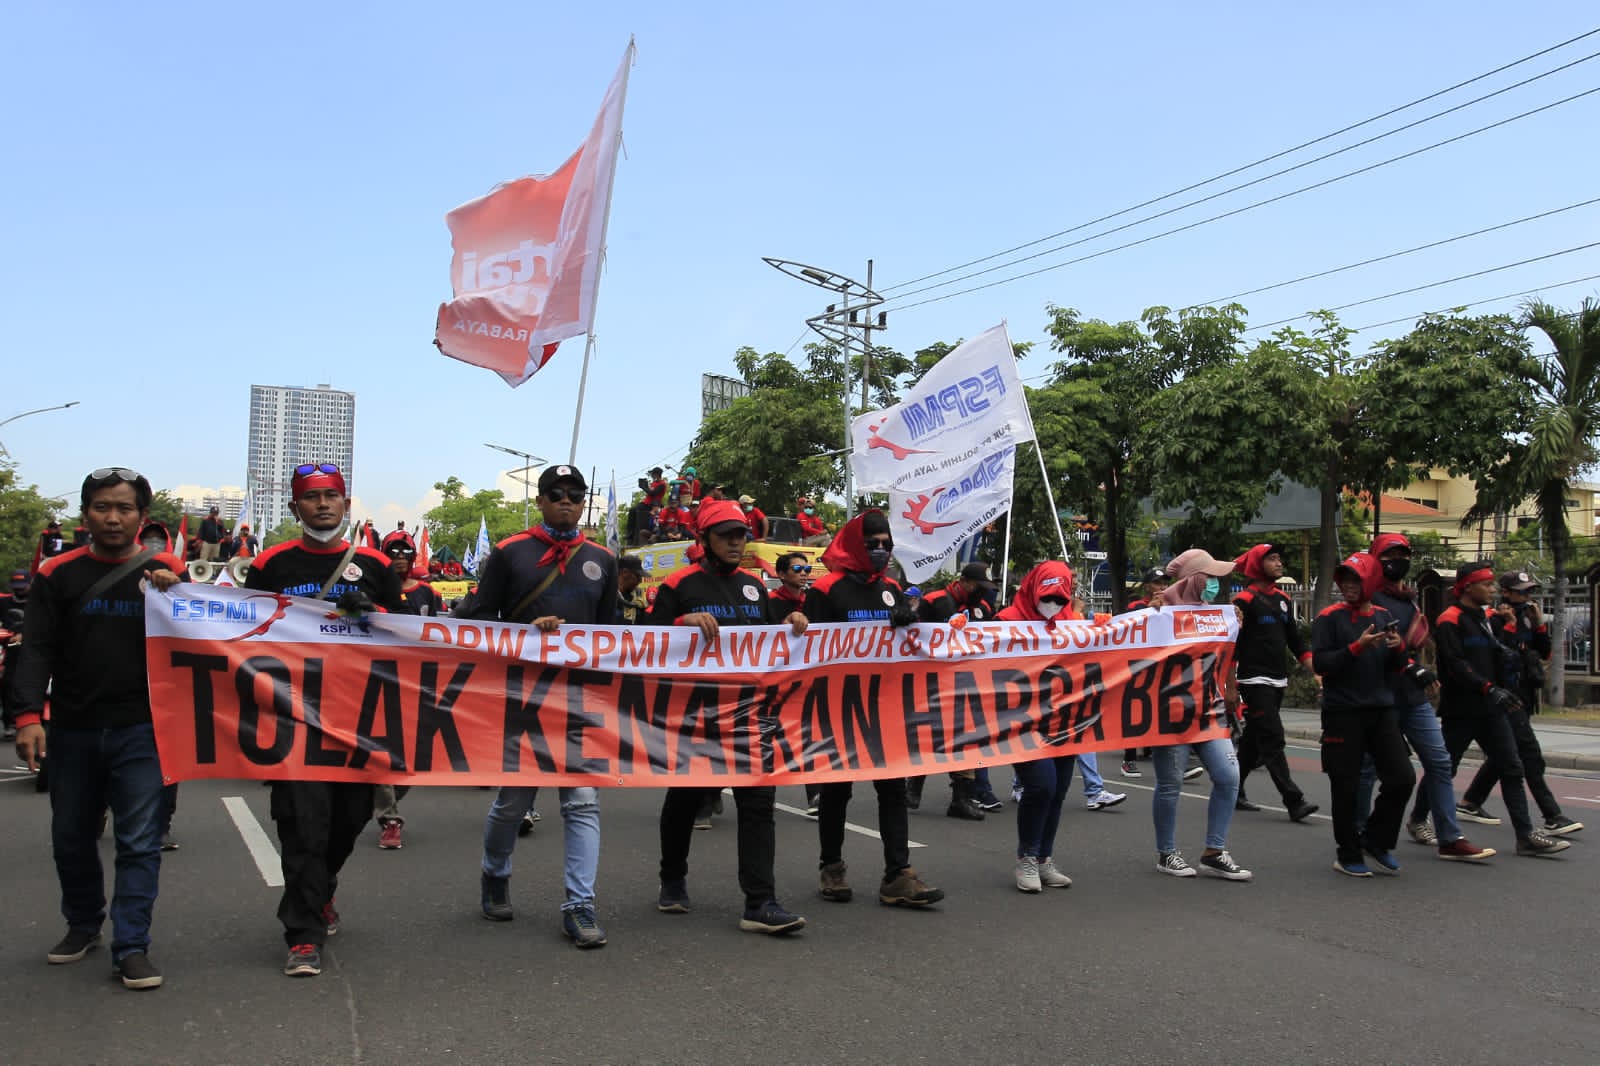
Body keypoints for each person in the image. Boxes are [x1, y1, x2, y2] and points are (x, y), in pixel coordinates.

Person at [12, 466, 186, 989]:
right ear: (85, 513)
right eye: (103, 507)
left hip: (143, 729)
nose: (113, 518)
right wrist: (27, 716)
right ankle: (83, 923)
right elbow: (36, 646)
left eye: (124, 508)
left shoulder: (166, 570)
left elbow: (200, 638)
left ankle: (131, 946)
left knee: (138, 842)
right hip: (72, 727)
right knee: (71, 836)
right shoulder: (56, 574)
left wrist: (176, 592)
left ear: (142, 518)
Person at [244, 462, 402, 976]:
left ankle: (321, 889)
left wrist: (372, 612)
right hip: (294, 716)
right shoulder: (271, 564)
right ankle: (303, 934)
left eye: (332, 495)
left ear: (347, 503)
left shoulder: (375, 564)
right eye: (312, 498)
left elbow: (406, 636)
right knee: (302, 827)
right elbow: (242, 632)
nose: (323, 504)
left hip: (359, 715)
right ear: (295, 508)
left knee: (350, 820)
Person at [463, 465, 616, 949]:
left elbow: (612, 632)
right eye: (557, 494)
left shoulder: (603, 559)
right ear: (541, 500)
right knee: (514, 800)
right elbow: (479, 621)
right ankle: (495, 873)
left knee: (583, 801)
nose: (567, 501)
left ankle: (580, 905)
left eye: (576, 494)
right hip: (523, 695)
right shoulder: (510, 554)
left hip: (581, 698)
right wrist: (526, 634)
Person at [651, 498, 808, 935]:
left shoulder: (755, 586)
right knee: (684, 800)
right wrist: (681, 622)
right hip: (695, 714)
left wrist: (792, 620)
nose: (737, 542)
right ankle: (673, 877)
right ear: (705, 539)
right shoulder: (679, 584)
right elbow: (641, 641)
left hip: (748, 714)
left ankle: (760, 902)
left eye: (741, 534)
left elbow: (768, 637)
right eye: (726, 535)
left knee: (758, 804)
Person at [805, 510, 945, 908]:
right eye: (873, 544)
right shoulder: (826, 590)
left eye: (887, 544)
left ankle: (897, 874)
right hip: (838, 707)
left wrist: (909, 619)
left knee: (892, 790)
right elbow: (807, 650)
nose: (881, 550)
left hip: (884, 707)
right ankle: (832, 867)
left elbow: (908, 646)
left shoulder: (890, 587)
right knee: (836, 792)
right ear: (855, 544)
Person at [1357, 535, 1493, 861]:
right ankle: (1359, 831)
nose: (1398, 559)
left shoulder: (1408, 600)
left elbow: (1417, 644)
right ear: (1376, 559)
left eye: (1403, 554)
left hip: (1413, 697)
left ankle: (1449, 837)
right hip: (1382, 696)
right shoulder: (1368, 599)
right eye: (1390, 554)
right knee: (1369, 769)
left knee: (1440, 761)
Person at [1436, 567, 1576, 854]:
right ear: (1468, 587)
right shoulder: (1454, 619)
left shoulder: (1490, 618)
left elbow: (1515, 654)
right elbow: (1456, 663)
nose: (1491, 589)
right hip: (1463, 707)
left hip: (1498, 703)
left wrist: (1535, 626)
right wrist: (1489, 686)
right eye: (1486, 585)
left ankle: (1525, 835)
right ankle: (1419, 819)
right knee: (1445, 768)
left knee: (1512, 765)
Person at [1147, 549, 1252, 881]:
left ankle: (1214, 851)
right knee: (1170, 784)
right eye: (1209, 577)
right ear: (1193, 578)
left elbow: (1226, 657)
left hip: (1210, 710)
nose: (1215, 585)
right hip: (1171, 712)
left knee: (1228, 777)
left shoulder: (1217, 615)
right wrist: (1151, 615)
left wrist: (1232, 623)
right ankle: (1167, 853)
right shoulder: (1159, 610)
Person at [1312, 552, 1416, 877]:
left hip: (1382, 711)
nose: (1348, 585)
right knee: (1346, 784)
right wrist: (1355, 648)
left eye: (1356, 579)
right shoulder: (1329, 617)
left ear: (1371, 581)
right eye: (1345, 579)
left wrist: (1398, 647)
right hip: (1343, 712)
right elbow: (1321, 664)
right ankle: (1347, 852)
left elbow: (1399, 667)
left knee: (1402, 778)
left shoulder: (1385, 616)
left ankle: (1375, 839)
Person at [995, 561, 1084, 892]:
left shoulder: (1072, 624)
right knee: (1041, 785)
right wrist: (961, 631)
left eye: (1061, 600)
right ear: (1032, 589)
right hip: (1022, 720)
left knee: (1059, 790)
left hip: (1063, 719)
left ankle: (1044, 858)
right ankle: (1027, 858)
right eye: (1048, 597)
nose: (1054, 605)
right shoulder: (1004, 622)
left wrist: (1104, 631)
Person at [1230, 543, 1319, 821]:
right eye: (1272, 559)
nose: (1279, 563)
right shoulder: (1242, 600)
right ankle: (1294, 800)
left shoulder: (1283, 599)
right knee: (1273, 737)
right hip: (1253, 679)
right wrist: (1230, 685)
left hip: (1278, 679)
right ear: (1258, 565)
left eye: (1280, 558)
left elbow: (1295, 640)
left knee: (1253, 741)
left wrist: (1315, 671)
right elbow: (1231, 645)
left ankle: (1232, 790)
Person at [911, 562, 1004, 816]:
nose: (981, 591)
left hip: (969, 684)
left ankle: (961, 799)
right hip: (933, 681)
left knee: (969, 739)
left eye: (984, 587)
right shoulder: (935, 601)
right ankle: (913, 786)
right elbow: (912, 636)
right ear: (963, 581)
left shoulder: (983, 608)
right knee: (929, 734)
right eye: (977, 586)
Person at [1120, 566, 1170, 777]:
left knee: (1166, 712)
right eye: (1158, 583)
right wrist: (1150, 609)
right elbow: (1127, 626)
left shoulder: (1171, 607)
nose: (1163, 587)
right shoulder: (1136, 606)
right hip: (1138, 667)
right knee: (1137, 713)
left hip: (1161, 666)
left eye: (1165, 583)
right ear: (1148, 585)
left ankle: (1171, 761)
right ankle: (1128, 760)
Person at [616, 555, 649, 624]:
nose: (640, 581)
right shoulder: (606, 595)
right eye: (637, 576)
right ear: (625, 573)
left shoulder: (640, 599)